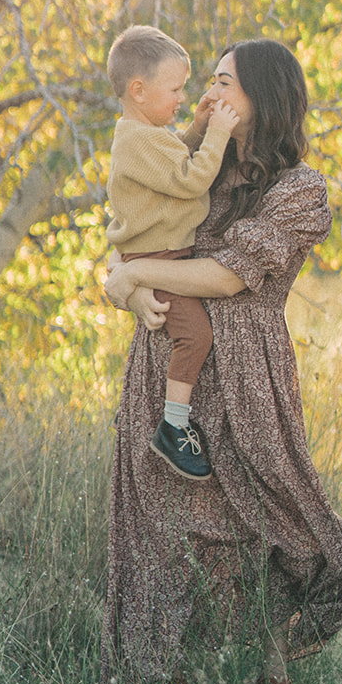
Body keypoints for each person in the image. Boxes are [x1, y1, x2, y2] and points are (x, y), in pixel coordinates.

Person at [102, 39, 342, 684]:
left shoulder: (300, 189)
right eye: (209, 81)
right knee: (163, 524)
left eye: (225, 82)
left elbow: (226, 277)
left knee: (264, 516)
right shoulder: (191, 164)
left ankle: (268, 661)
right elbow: (130, 237)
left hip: (250, 370)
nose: (209, 95)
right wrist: (125, 284)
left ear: (263, 94)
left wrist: (136, 275)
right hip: (169, 367)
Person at [105, 25, 241, 481]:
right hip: (161, 260)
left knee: (191, 333)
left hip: (160, 256)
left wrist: (199, 127)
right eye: (176, 89)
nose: (183, 97)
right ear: (138, 91)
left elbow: (172, 163)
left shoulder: (144, 133)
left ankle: (172, 420)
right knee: (194, 337)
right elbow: (189, 179)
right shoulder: (135, 139)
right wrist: (219, 133)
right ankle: (174, 426)